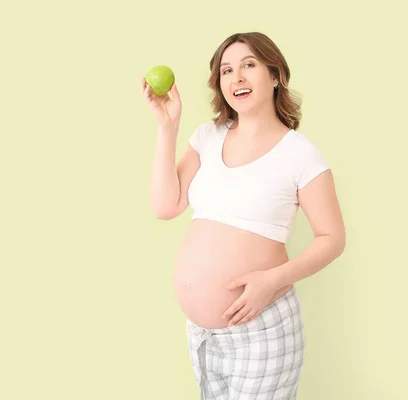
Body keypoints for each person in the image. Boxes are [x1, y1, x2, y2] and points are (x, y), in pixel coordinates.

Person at [141, 32, 346, 400]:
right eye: (227, 70)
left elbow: (332, 239)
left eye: (249, 65)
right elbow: (165, 206)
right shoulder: (208, 137)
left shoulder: (301, 155)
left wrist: (272, 281)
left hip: (262, 330)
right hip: (203, 336)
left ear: (275, 75)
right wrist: (167, 127)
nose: (236, 78)